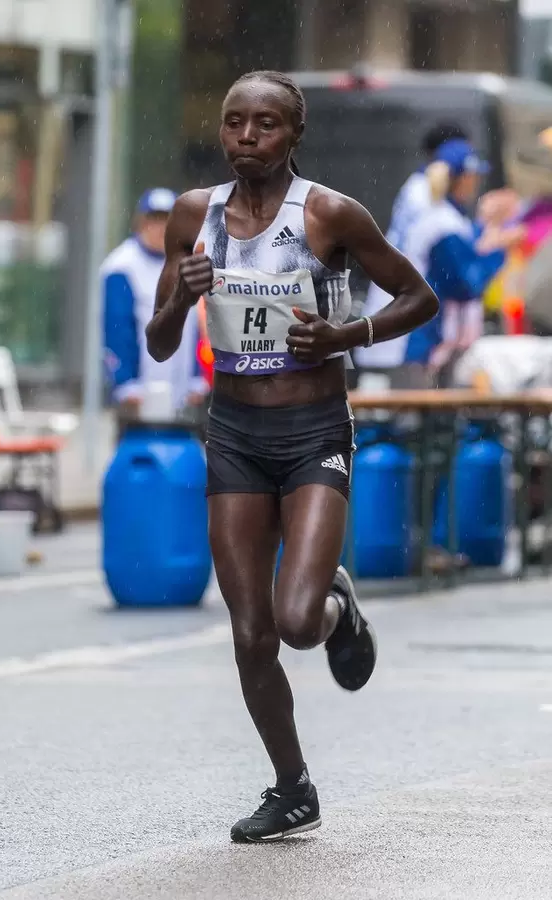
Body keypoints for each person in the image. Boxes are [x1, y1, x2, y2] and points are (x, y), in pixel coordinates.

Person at [146, 70, 438, 843]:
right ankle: (292, 787)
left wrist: (346, 335)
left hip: (313, 432)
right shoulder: (193, 215)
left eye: (266, 124)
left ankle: (336, 602)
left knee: (299, 622)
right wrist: (180, 295)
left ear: (294, 134)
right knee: (252, 634)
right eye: (234, 122)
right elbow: (160, 342)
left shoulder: (329, 214)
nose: (247, 136)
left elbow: (419, 297)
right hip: (235, 434)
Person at [355, 121, 468, 373]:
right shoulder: (434, 202)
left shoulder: (415, 186)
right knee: (408, 391)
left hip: (389, 305)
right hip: (409, 323)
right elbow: (462, 277)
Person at [102, 188, 209, 432]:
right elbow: (117, 329)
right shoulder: (122, 266)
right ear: (141, 222)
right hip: (138, 394)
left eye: (167, 221)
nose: (160, 228)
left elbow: (194, 324)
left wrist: (196, 377)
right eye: (154, 220)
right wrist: (125, 382)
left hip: (182, 393)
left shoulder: (188, 261)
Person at [402, 139, 496, 385]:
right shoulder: (442, 222)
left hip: (427, 336)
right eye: (472, 176)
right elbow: (466, 285)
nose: (476, 182)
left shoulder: (447, 216)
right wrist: (497, 252)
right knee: (420, 405)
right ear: (460, 179)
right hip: (424, 339)